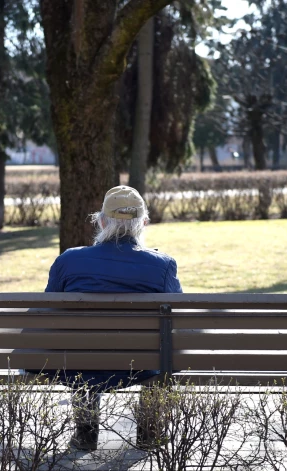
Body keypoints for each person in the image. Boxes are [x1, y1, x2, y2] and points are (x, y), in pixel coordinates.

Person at [44, 185, 182, 450]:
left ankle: (86, 434)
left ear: (102, 220)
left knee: (82, 347)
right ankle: (148, 433)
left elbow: (48, 312)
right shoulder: (162, 265)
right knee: (162, 351)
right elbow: (177, 317)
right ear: (143, 222)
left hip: (81, 361)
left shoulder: (69, 260)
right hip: (142, 363)